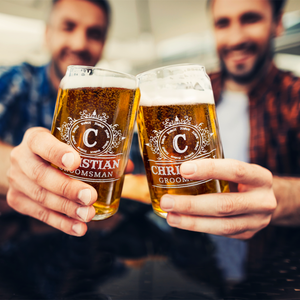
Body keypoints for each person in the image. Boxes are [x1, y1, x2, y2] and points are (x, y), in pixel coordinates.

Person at [160, 0, 300, 239]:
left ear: (277, 23)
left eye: (250, 19)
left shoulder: (294, 97)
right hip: (199, 265)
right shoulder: (186, 96)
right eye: (223, 23)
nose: (235, 39)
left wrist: (278, 198)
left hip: (273, 265)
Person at [0, 0, 115, 236]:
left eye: (94, 33)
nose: (79, 43)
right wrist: (18, 167)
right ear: (47, 34)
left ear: (104, 43)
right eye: (68, 27)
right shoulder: (17, 82)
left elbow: (129, 167)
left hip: (85, 246)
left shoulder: (112, 105)